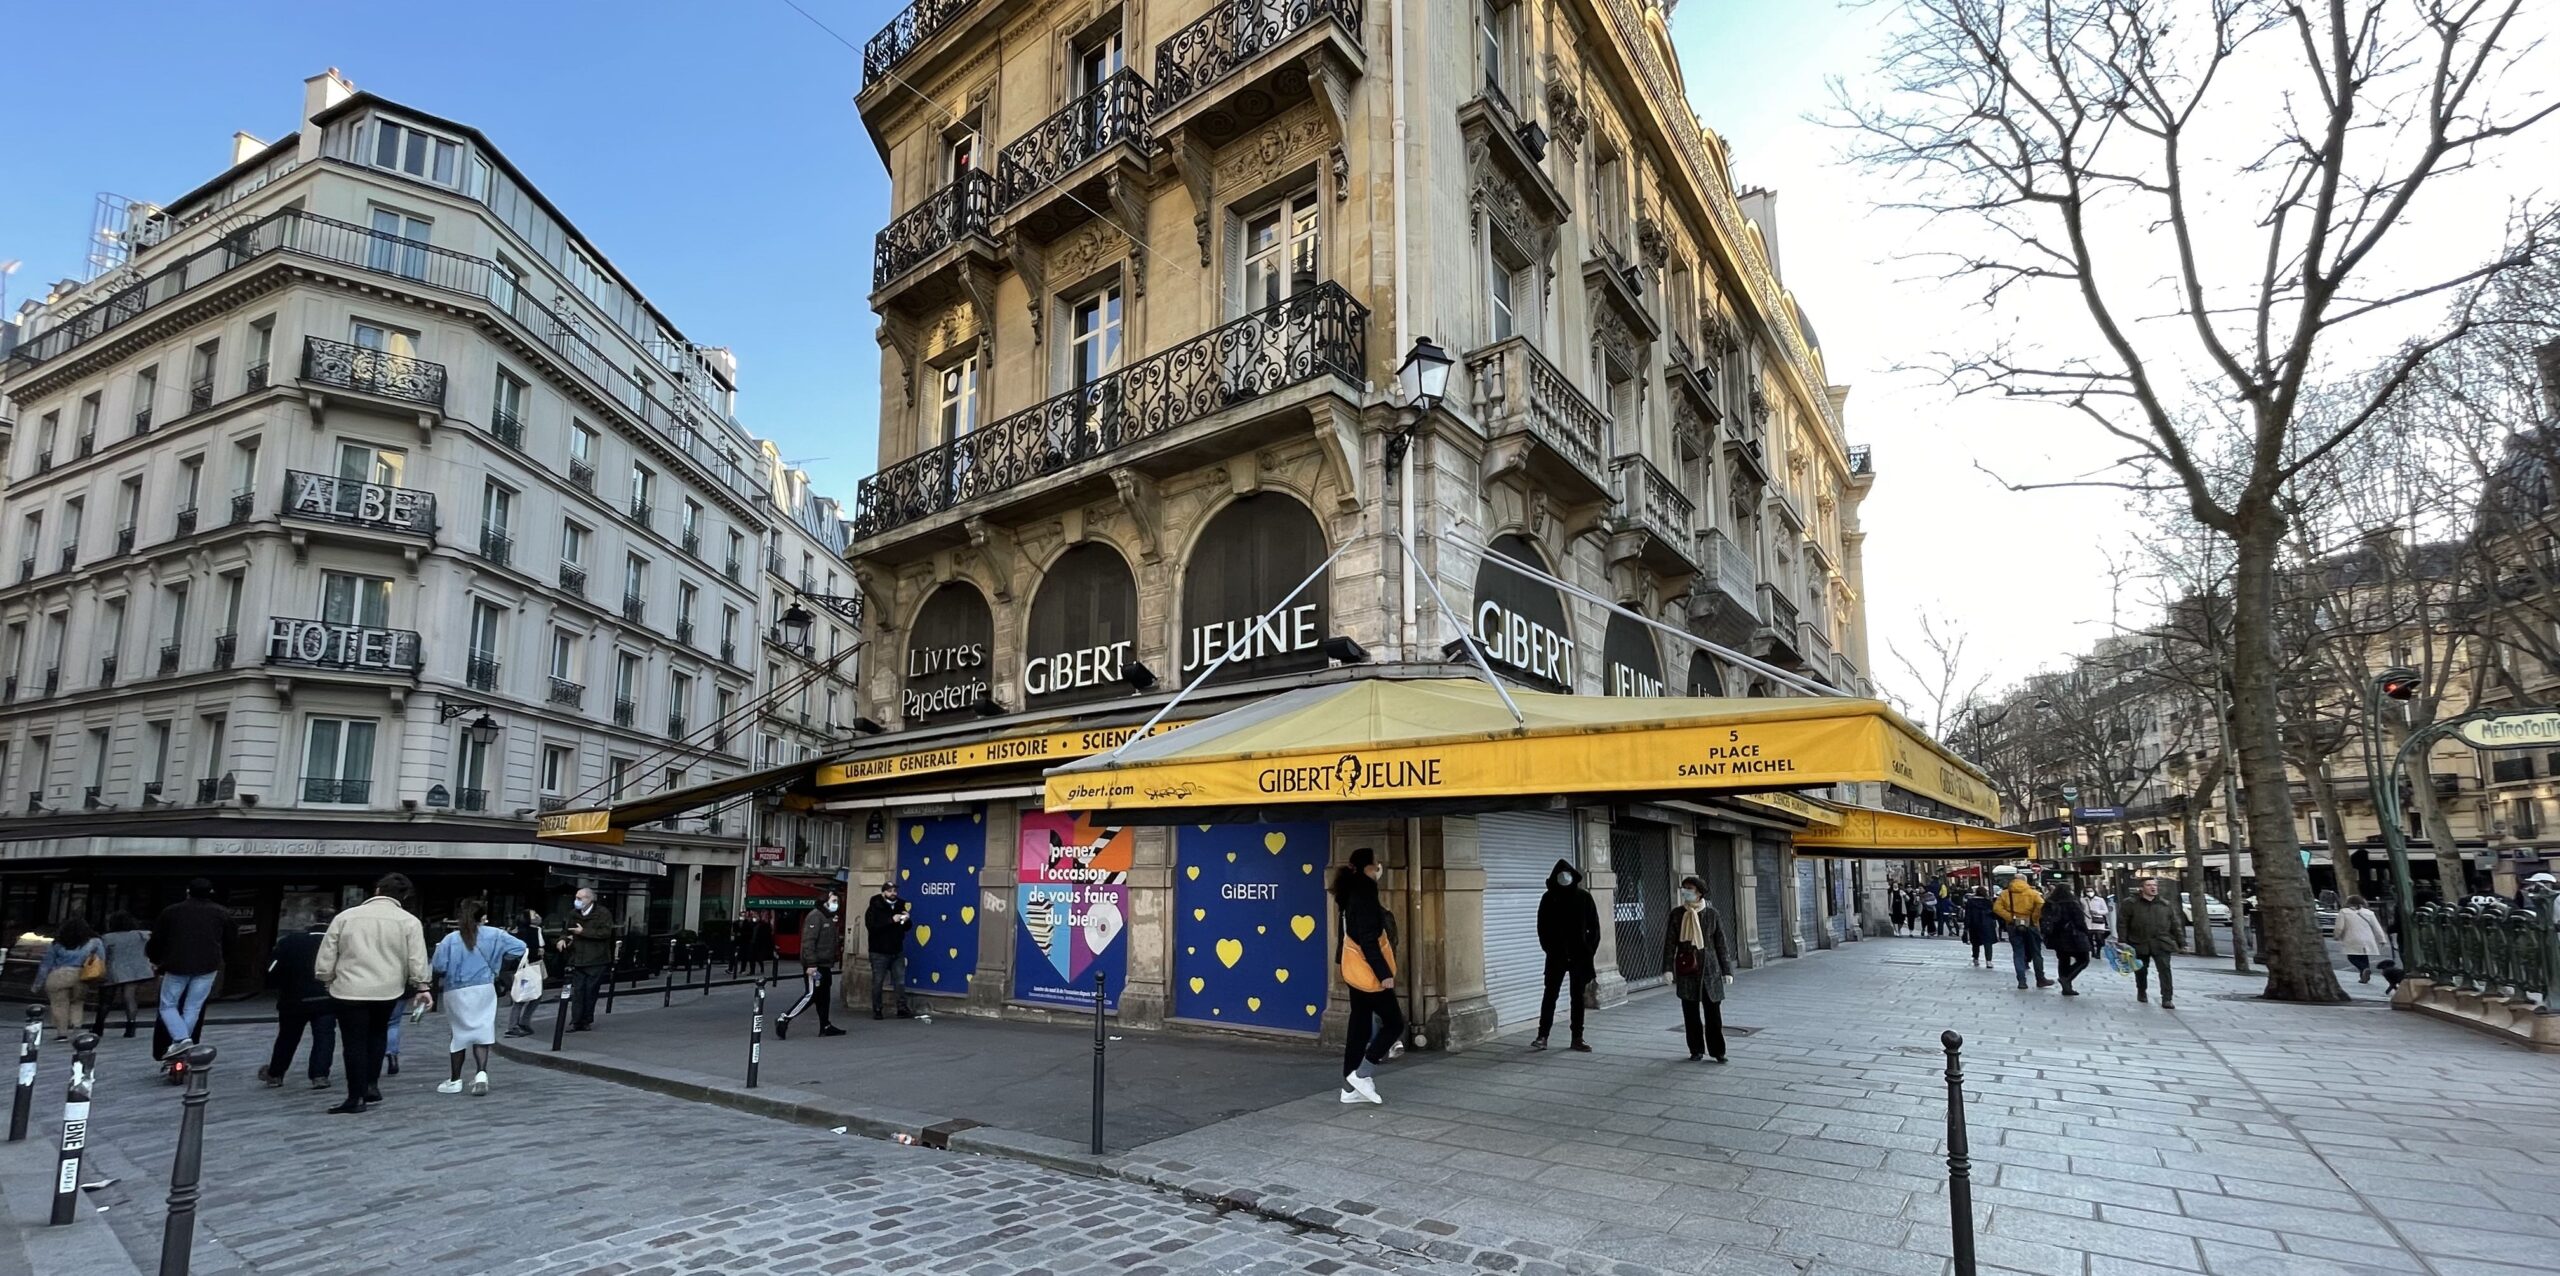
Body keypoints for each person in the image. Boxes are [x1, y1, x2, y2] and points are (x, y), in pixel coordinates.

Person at [314, 873, 432, 1113]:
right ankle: (371, 1084)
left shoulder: (346, 917)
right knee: (378, 1035)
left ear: (377, 890)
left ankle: (354, 1096)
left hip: (349, 988)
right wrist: (422, 986)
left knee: (354, 1042)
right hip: (388, 989)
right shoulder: (408, 921)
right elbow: (416, 958)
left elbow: (327, 954)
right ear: (405, 896)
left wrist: (326, 978)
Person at [430, 899, 526, 1096]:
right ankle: (481, 1073)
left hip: (456, 989)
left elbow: (439, 966)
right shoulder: (496, 934)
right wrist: (498, 960)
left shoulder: (450, 939)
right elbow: (520, 947)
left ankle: (455, 1079)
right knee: (483, 1030)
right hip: (484, 987)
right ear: (483, 917)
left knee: (458, 1034)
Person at [1333, 847, 1402, 1104]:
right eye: (1376, 863)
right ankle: (1362, 1074)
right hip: (1370, 970)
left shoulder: (1350, 890)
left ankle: (1349, 1089)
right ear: (1367, 868)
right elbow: (1368, 937)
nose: (1379, 866)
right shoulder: (1364, 892)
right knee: (1394, 1023)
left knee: (1359, 1026)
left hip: (1355, 970)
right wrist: (1383, 973)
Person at [147, 879, 229, 1058]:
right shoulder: (221, 913)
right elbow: (231, 939)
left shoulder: (172, 912)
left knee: (168, 1005)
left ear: (188, 891)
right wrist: (222, 957)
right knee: (193, 1007)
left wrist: (155, 959)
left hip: (176, 963)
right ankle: (183, 1041)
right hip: (208, 964)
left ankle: (181, 1039)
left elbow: (157, 939)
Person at [259, 910, 337, 1090]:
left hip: (293, 998)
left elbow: (272, 969)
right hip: (326, 997)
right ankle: (320, 1075)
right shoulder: (337, 943)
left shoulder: (290, 942)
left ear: (313, 920)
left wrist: (279, 986)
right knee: (325, 1037)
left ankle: (276, 1073)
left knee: (287, 1036)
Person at [1663, 876, 1735, 1062]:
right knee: (1690, 1013)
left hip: (1710, 970)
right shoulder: (1677, 914)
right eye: (1684, 888)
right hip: (1687, 968)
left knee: (1713, 1014)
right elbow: (1670, 943)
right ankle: (1696, 1049)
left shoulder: (1712, 914)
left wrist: (1727, 970)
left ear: (1699, 892)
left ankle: (1718, 1051)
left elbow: (1721, 944)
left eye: (1690, 889)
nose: (1685, 891)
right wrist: (1668, 968)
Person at [1531, 859, 1599, 1052]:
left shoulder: (1584, 897)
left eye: (1566, 873)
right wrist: (1550, 949)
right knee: (1550, 995)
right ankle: (1542, 1035)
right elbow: (1542, 928)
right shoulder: (1549, 898)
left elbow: (1594, 927)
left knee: (1577, 997)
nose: (1564, 877)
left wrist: (1588, 951)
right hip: (1556, 956)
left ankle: (1577, 1037)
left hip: (1579, 956)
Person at [779, 891, 847, 1038]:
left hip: (825, 963)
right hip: (816, 964)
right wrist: (811, 963)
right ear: (825, 901)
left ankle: (825, 1025)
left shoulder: (829, 917)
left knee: (824, 996)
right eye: (834, 900)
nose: (837, 904)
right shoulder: (815, 916)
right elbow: (808, 941)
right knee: (812, 994)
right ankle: (784, 1018)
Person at [551, 888, 618, 1032]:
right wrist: (562, 939)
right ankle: (576, 1021)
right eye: (576, 897)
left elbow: (606, 933)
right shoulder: (573, 914)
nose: (577, 901)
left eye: (580, 898)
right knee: (578, 991)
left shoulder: (602, 913)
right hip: (578, 958)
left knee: (590, 991)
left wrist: (583, 932)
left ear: (590, 899)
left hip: (596, 959)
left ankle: (586, 1019)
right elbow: (566, 930)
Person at [2117, 876, 2187, 1010]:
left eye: (2154, 885)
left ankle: (2167, 998)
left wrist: (2182, 942)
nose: (2153, 887)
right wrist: (2123, 942)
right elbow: (2123, 923)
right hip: (2139, 942)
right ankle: (2141, 990)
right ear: (2142, 888)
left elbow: (2175, 924)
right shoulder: (2131, 903)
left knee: (2165, 970)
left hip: (2161, 942)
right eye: (2149, 885)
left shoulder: (2165, 904)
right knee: (2141, 970)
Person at [31, 916, 102, 1039]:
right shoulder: (95, 942)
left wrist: (37, 984)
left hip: (58, 975)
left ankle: (62, 1033)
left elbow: (46, 964)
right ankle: (76, 1029)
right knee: (78, 1002)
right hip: (81, 975)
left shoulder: (57, 943)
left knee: (59, 1004)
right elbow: (101, 960)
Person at [95, 912, 154, 1038]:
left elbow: (102, 955)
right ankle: (131, 1027)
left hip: (113, 969)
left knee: (106, 1000)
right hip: (134, 970)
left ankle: (98, 1027)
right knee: (130, 997)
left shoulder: (107, 938)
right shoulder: (141, 935)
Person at [864, 880, 914, 1020]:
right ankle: (878, 1009)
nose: (893, 893)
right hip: (879, 951)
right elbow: (872, 927)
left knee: (900, 981)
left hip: (896, 949)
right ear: (883, 892)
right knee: (878, 981)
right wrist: (891, 920)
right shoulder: (874, 907)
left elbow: (906, 927)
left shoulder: (900, 905)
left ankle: (902, 1008)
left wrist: (906, 919)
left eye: (895, 891)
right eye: (890, 891)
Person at [1993, 874, 2052, 990]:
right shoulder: (2032, 893)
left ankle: (2021, 981)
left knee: (2018, 952)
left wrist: (2011, 918)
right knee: (2036, 952)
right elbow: (2041, 904)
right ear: (2025, 881)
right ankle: (2040, 979)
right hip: (2030, 924)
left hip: (2013, 925)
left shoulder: (2005, 893)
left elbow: (1996, 908)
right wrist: (2034, 918)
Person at [2040, 882, 2093, 996]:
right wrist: (2086, 933)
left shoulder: (2049, 902)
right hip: (2073, 935)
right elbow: (2079, 921)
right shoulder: (2072, 903)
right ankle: (2067, 979)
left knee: (2063, 960)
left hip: (2056, 936)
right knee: (2083, 959)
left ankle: (2066, 986)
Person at [505, 909, 548, 1037]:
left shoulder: (536, 930)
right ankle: (513, 1026)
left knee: (534, 995)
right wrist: (538, 951)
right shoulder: (527, 932)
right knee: (522, 996)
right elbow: (528, 949)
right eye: (534, 915)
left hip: (534, 966)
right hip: (528, 967)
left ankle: (522, 1022)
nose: (538, 916)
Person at [2336, 895, 2391, 984]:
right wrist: (2382, 939)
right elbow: (2377, 927)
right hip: (2367, 939)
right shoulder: (2369, 913)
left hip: (2352, 938)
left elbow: (2339, 927)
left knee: (2352, 957)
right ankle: (2364, 975)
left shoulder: (2344, 912)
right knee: (2364, 957)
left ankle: (2364, 970)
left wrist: (2337, 935)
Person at [1962, 885, 1999, 967]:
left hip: (1974, 924)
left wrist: (1966, 926)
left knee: (1975, 942)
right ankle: (1988, 961)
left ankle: (1976, 959)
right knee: (1988, 943)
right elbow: (1994, 914)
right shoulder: (1988, 902)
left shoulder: (1970, 902)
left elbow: (1968, 915)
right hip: (1987, 924)